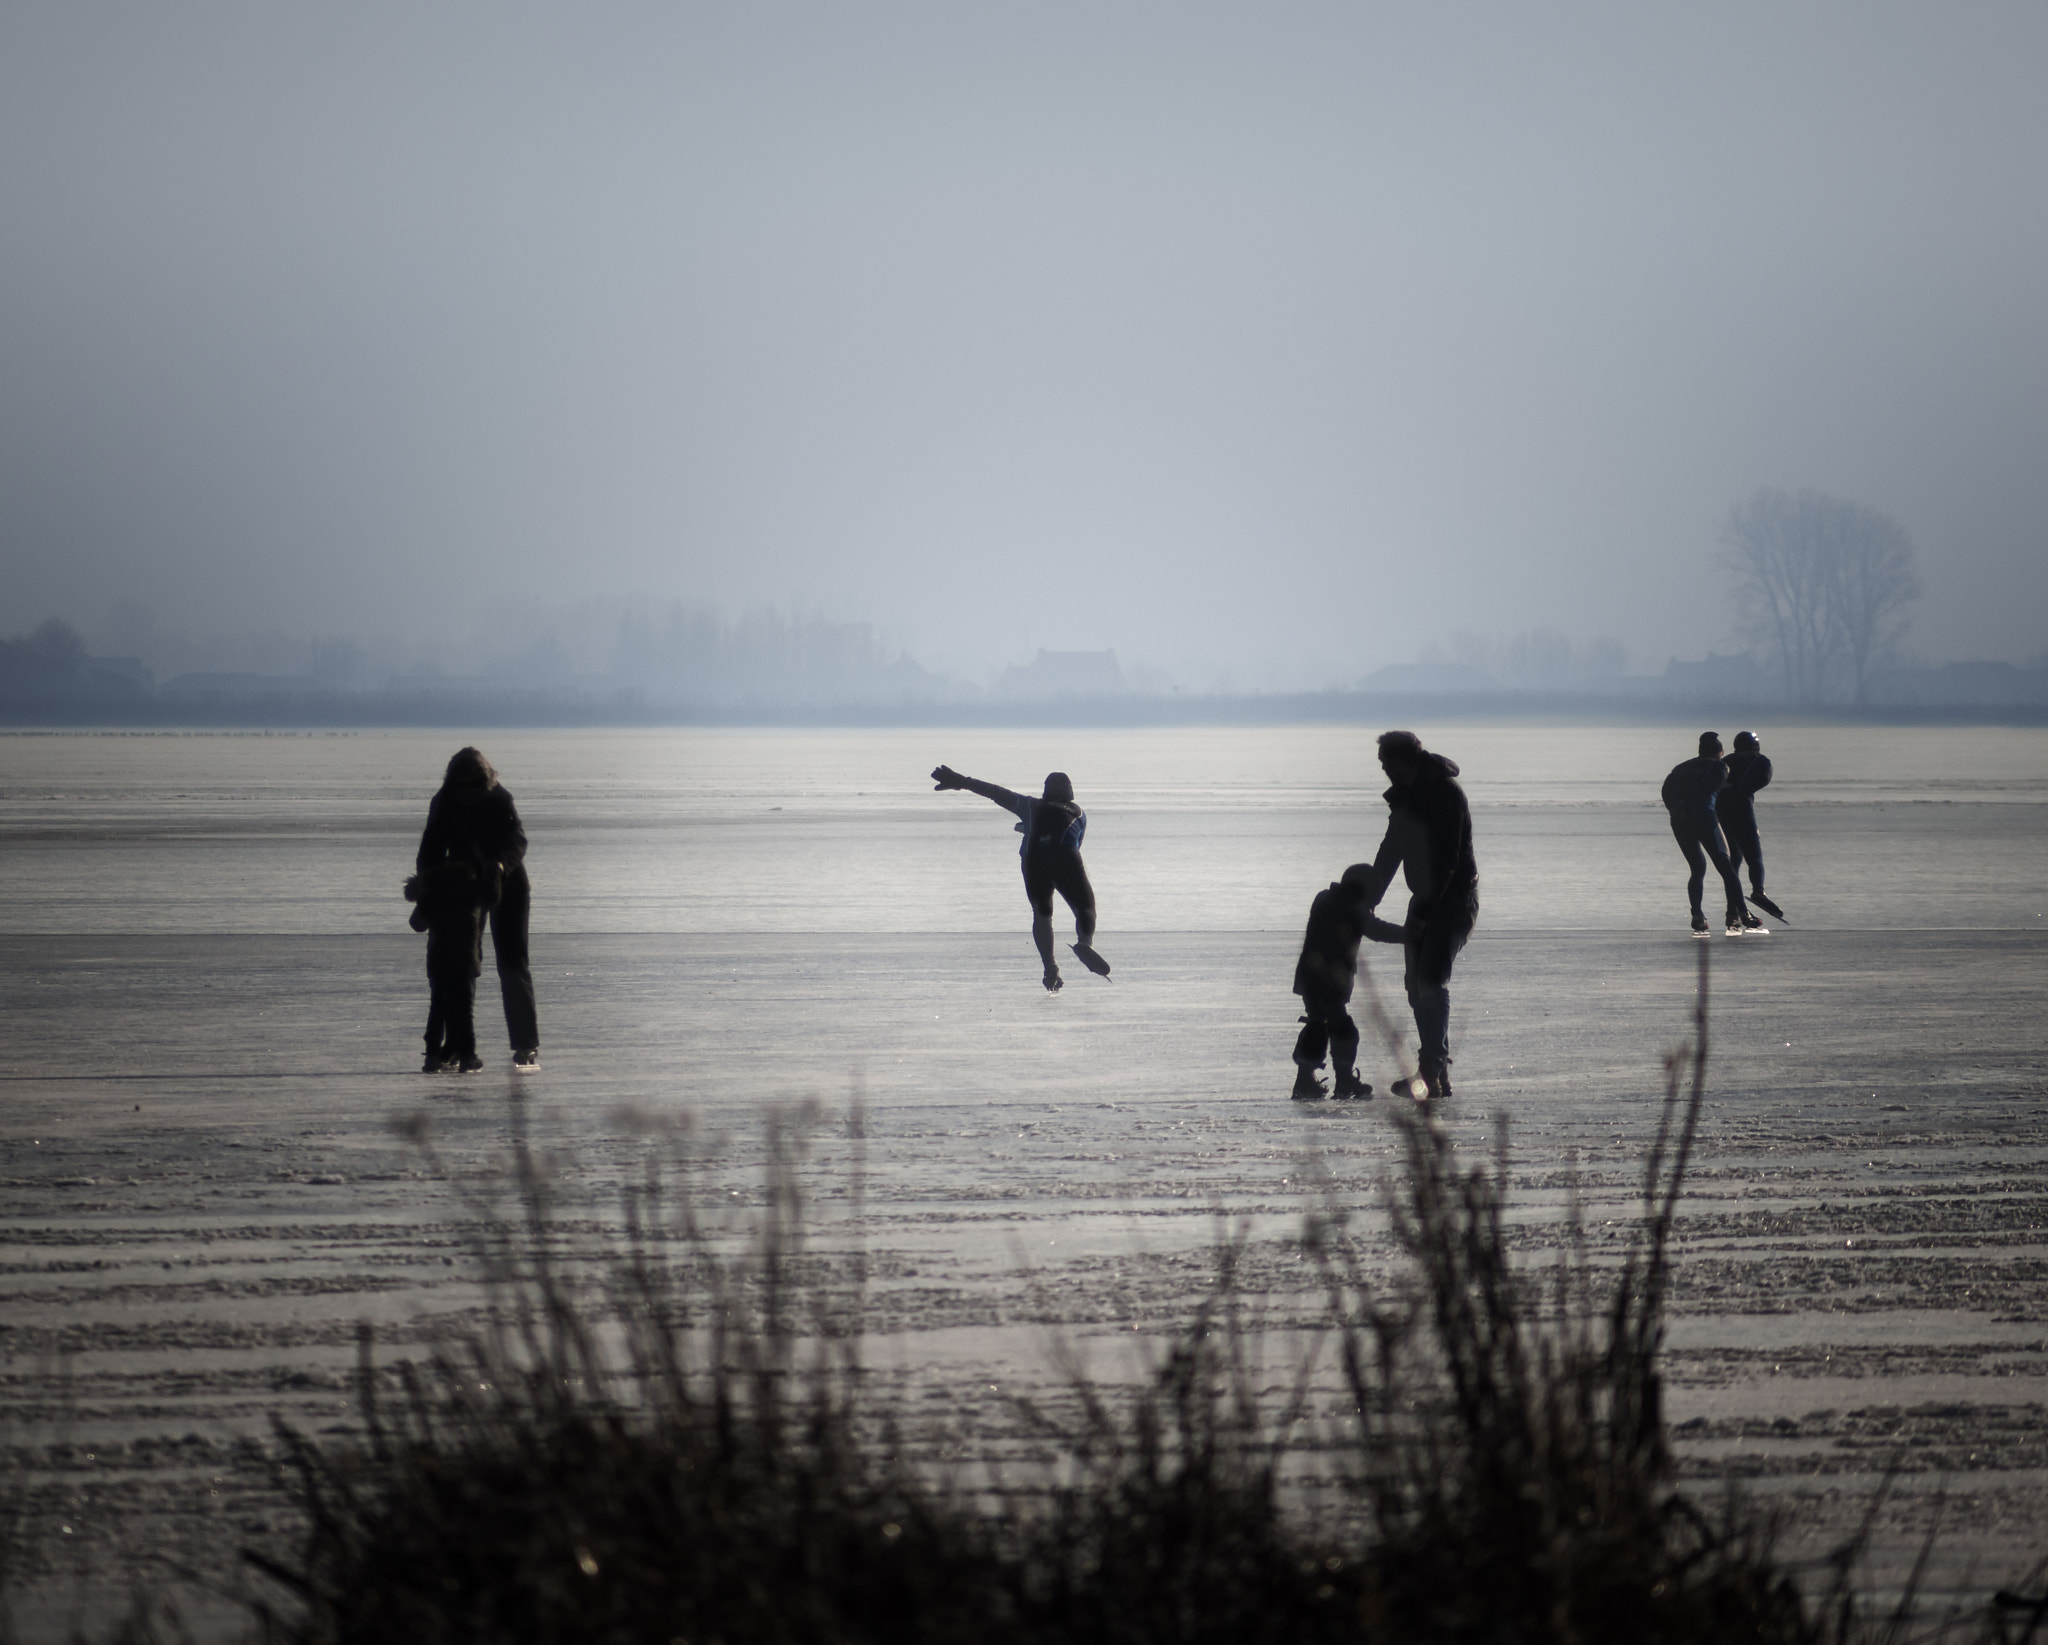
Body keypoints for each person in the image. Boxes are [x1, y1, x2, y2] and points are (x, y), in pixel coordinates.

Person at [1359, 730, 1479, 1101]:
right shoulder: (1407, 798)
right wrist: (1367, 900)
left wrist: (1425, 913)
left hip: (1455, 900)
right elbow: (1390, 850)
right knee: (1415, 986)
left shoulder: (1444, 795)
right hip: (1424, 900)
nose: (1384, 772)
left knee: (1430, 981)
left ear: (1402, 761)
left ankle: (1430, 1070)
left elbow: (1447, 862)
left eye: (1385, 764)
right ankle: (1436, 1074)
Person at [930, 764, 1110, 991]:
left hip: (1034, 860)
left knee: (1042, 914)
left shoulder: (1030, 805)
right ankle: (1085, 943)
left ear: (1045, 790)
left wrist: (963, 781)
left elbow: (995, 792)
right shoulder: (1079, 813)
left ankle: (1050, 967)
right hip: (1066, 857)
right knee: (1085, 909)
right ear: (1069, 791)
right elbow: (1071, 840)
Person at [415, 747, 541, 1069]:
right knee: (459, 964)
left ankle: (525, 1045)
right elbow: (429, 851)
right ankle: (455, 1045)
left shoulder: (499, 799)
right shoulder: (443, 802)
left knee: (513, 961)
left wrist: (499, 867)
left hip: (507, 882)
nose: (469, 794)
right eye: (463, 787)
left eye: (475, 788)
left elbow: (518, 842)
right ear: (453, 785)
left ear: (485, 784)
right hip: (461, 886)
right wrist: (428, 892)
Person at [1290, 863, 1404, 1100]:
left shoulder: (1323, 898)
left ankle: (1305, 1080)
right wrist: (1411, 935)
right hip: (1330, 980)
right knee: (1343, 1030)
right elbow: (1378, 931)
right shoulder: (1353, 908)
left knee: (1317, 1024)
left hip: (1310, 977)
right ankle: (1342, 1080)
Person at [404, 853, 496, 1073]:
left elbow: (416, 924)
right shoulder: (474, 887)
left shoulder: (433, 889)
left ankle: (432, 1056)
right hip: (465, 956)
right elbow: (492, 898)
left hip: (439, 958)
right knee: (464, 1010)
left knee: (437, 1008)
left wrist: (423, 893)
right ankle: (467, 1056)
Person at [1661, 731, 1750, 938]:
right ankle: (1741, 915)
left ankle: (1697, 916)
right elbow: (1711, 790)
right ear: (1719, 752)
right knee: (1726, 868)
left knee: (1697, 867)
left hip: (1680, 821)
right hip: (1705, 819)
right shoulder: (1720, 766)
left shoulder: (1681, 767)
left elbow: (1666, 790)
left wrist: (1676, 809)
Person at [1720, 730, 1781, 923]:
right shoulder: (1759, 759)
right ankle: (1758, 891)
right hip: (1742, 811)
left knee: (1734, 862)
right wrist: (1743, 790)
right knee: (1754, 855)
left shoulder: (1726, 760)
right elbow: (1762, 778)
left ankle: (1733, 911)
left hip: (1721, 812)